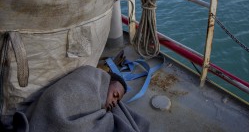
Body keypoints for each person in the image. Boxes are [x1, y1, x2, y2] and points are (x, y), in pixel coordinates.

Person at [8, 66, 149, 132]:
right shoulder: (89, 77)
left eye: (118, 101)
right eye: (115, 95)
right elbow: (56, 98)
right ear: (107, 82)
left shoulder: (102, 103)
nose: (114, 103)